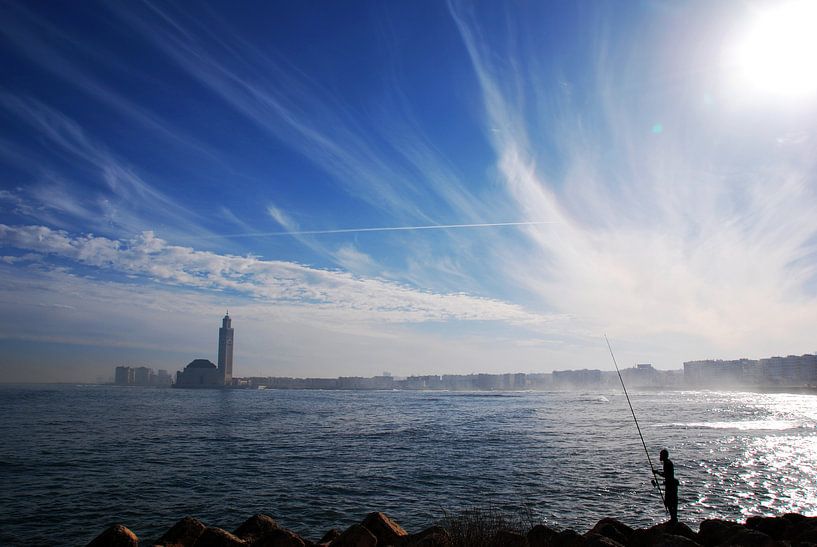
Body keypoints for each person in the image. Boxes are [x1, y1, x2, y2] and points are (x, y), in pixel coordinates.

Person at [653, 448, 679, 523]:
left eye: (661, 455)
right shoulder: (667, 462)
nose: (659, 456)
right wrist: (657, 472)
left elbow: (666, 474)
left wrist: (657, 473)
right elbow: (666, 473)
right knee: (670, 502)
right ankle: (673, 519)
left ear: (664, 456)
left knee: (670, 502)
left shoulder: (667, 463)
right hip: (671, 485)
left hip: (671, 487)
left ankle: (674, 520)